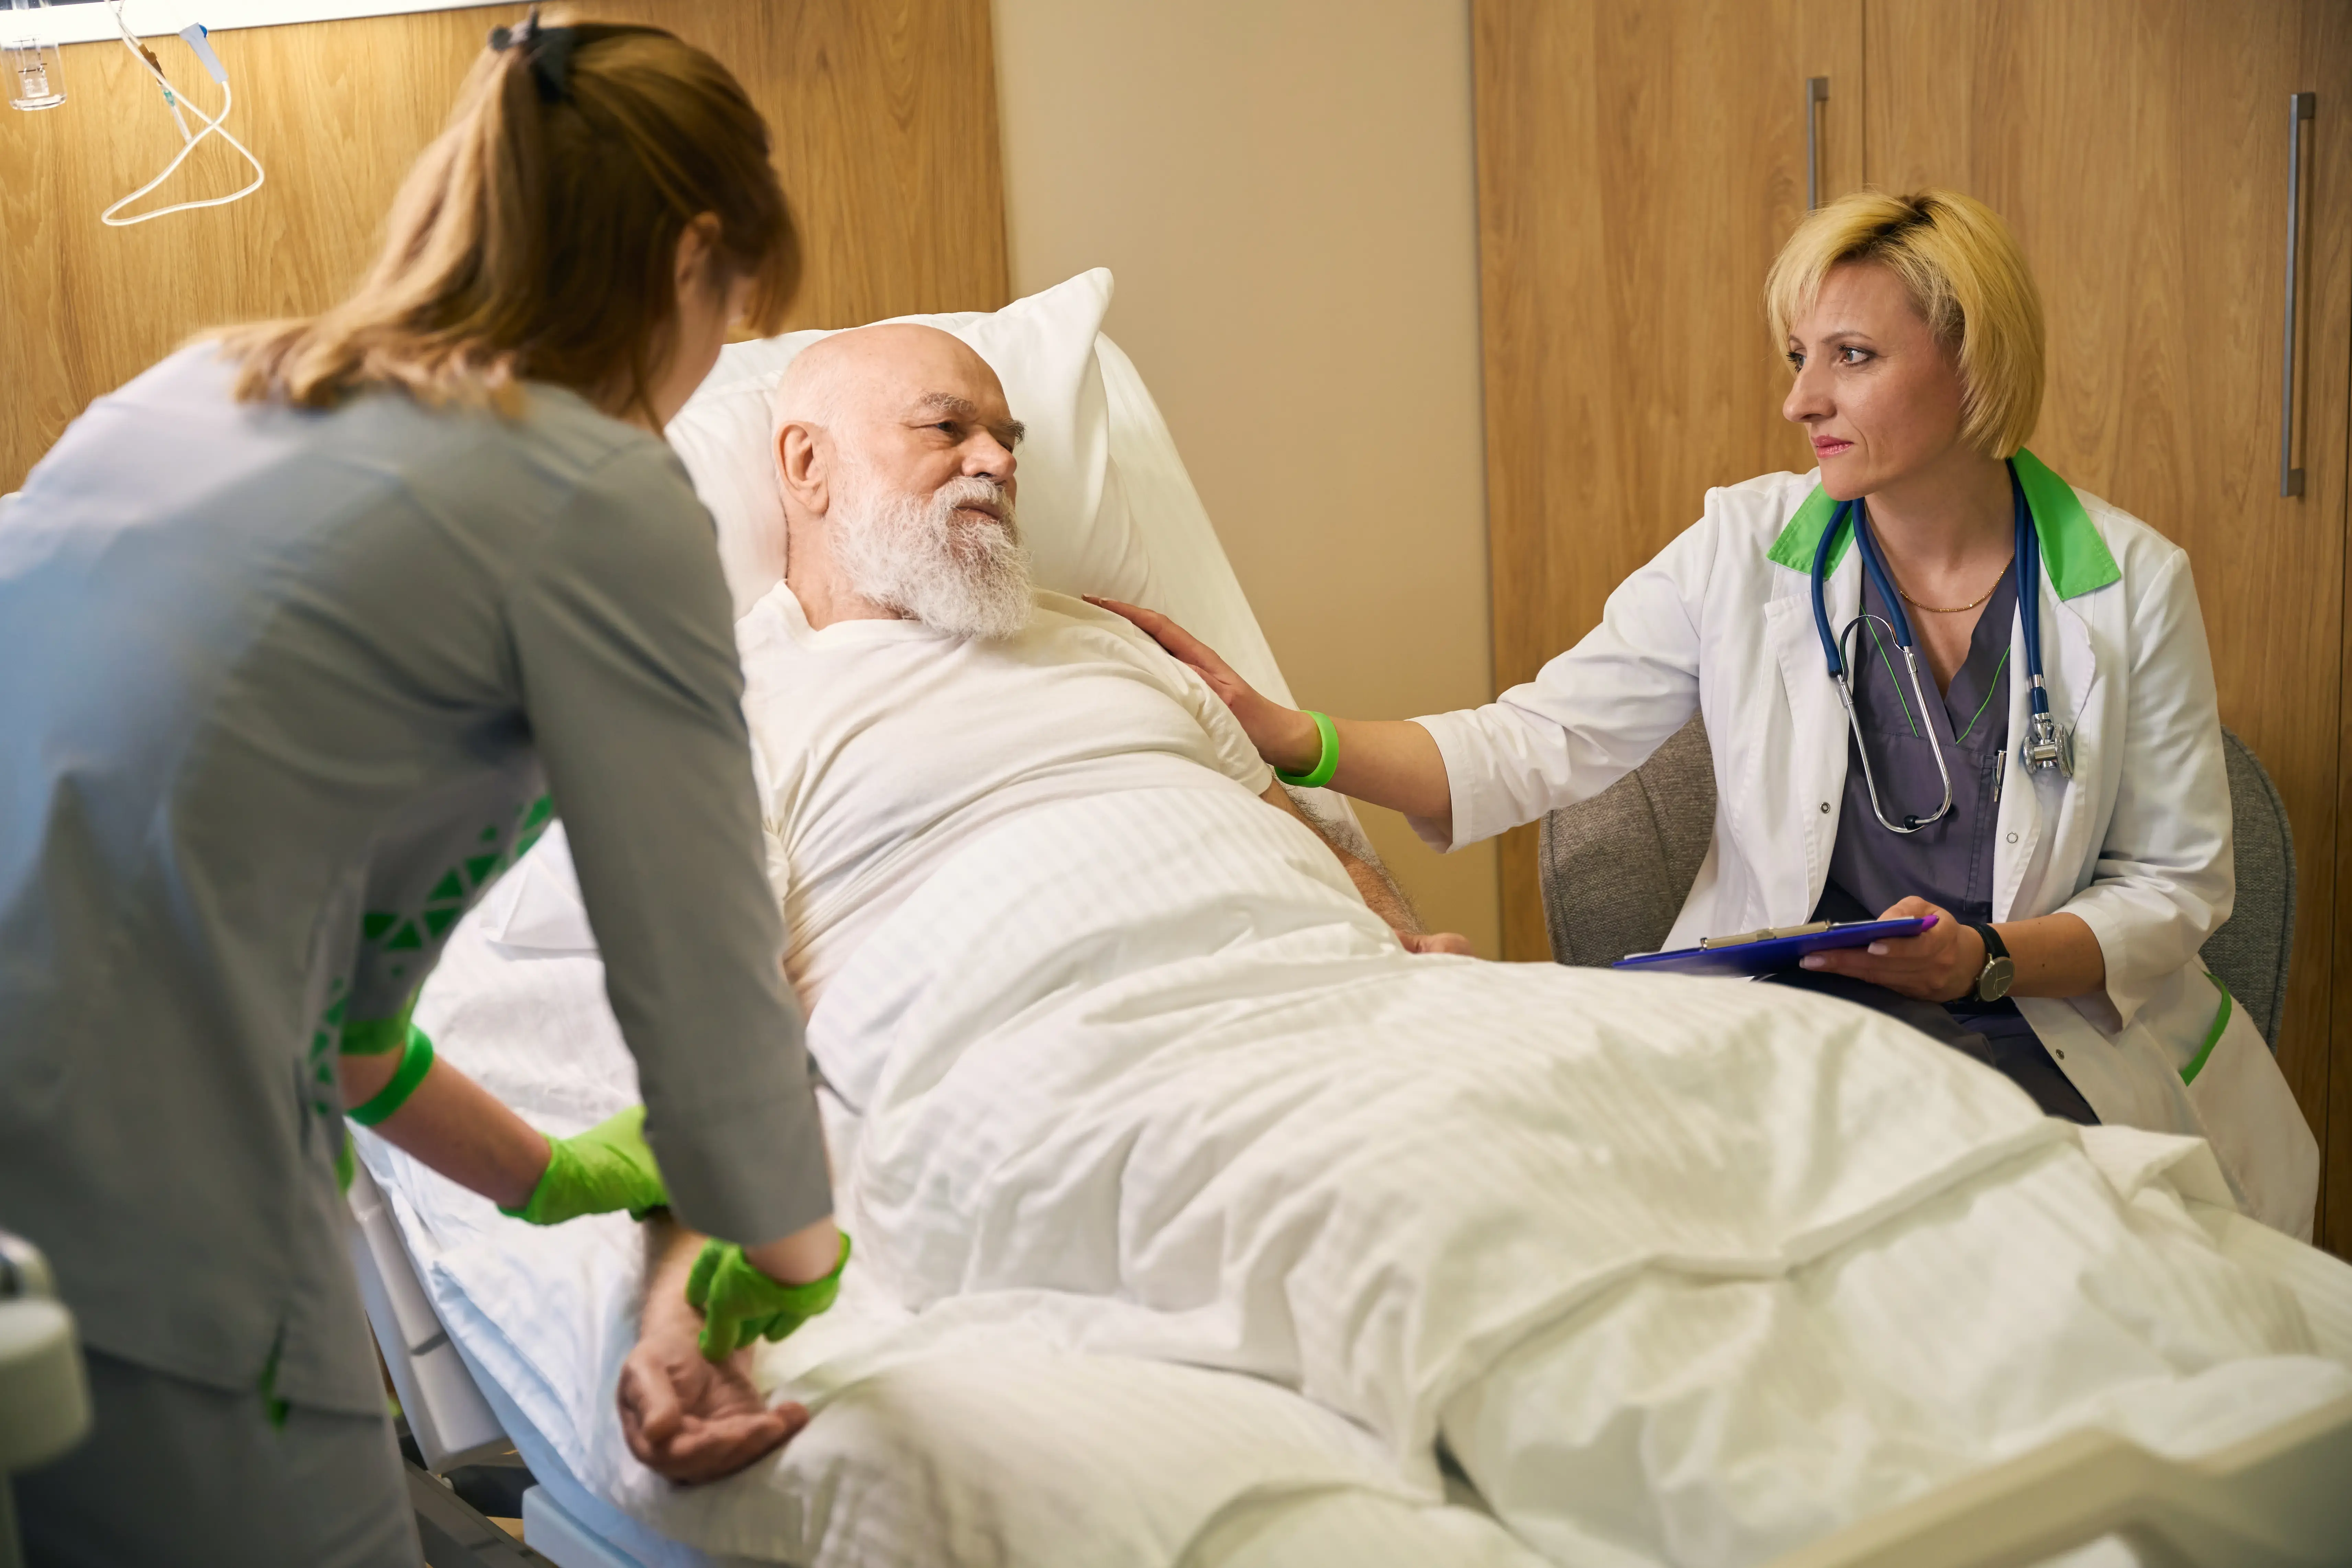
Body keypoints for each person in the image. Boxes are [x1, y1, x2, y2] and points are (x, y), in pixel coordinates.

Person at [0, 16, 842, 1564]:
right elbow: (713, 1010)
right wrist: (785, 1253)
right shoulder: (594, 490)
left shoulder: (200, 389)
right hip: (145, 1237)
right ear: (690, 258)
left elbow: (331, 1001)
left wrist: (552, 1178)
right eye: (737, 310)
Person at [1100, 189, 2317, 1240]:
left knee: (2010, 1243)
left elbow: (2174, 883)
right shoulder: (1743, 547)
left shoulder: (2128, 581)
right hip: (1794, 1027)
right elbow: (1537, 739)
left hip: (2033, 1030)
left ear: (1970, 364)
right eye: (1796, 356)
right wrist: (1292, 736)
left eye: (1849, 356)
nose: (1800, 400)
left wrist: (1985, 960)